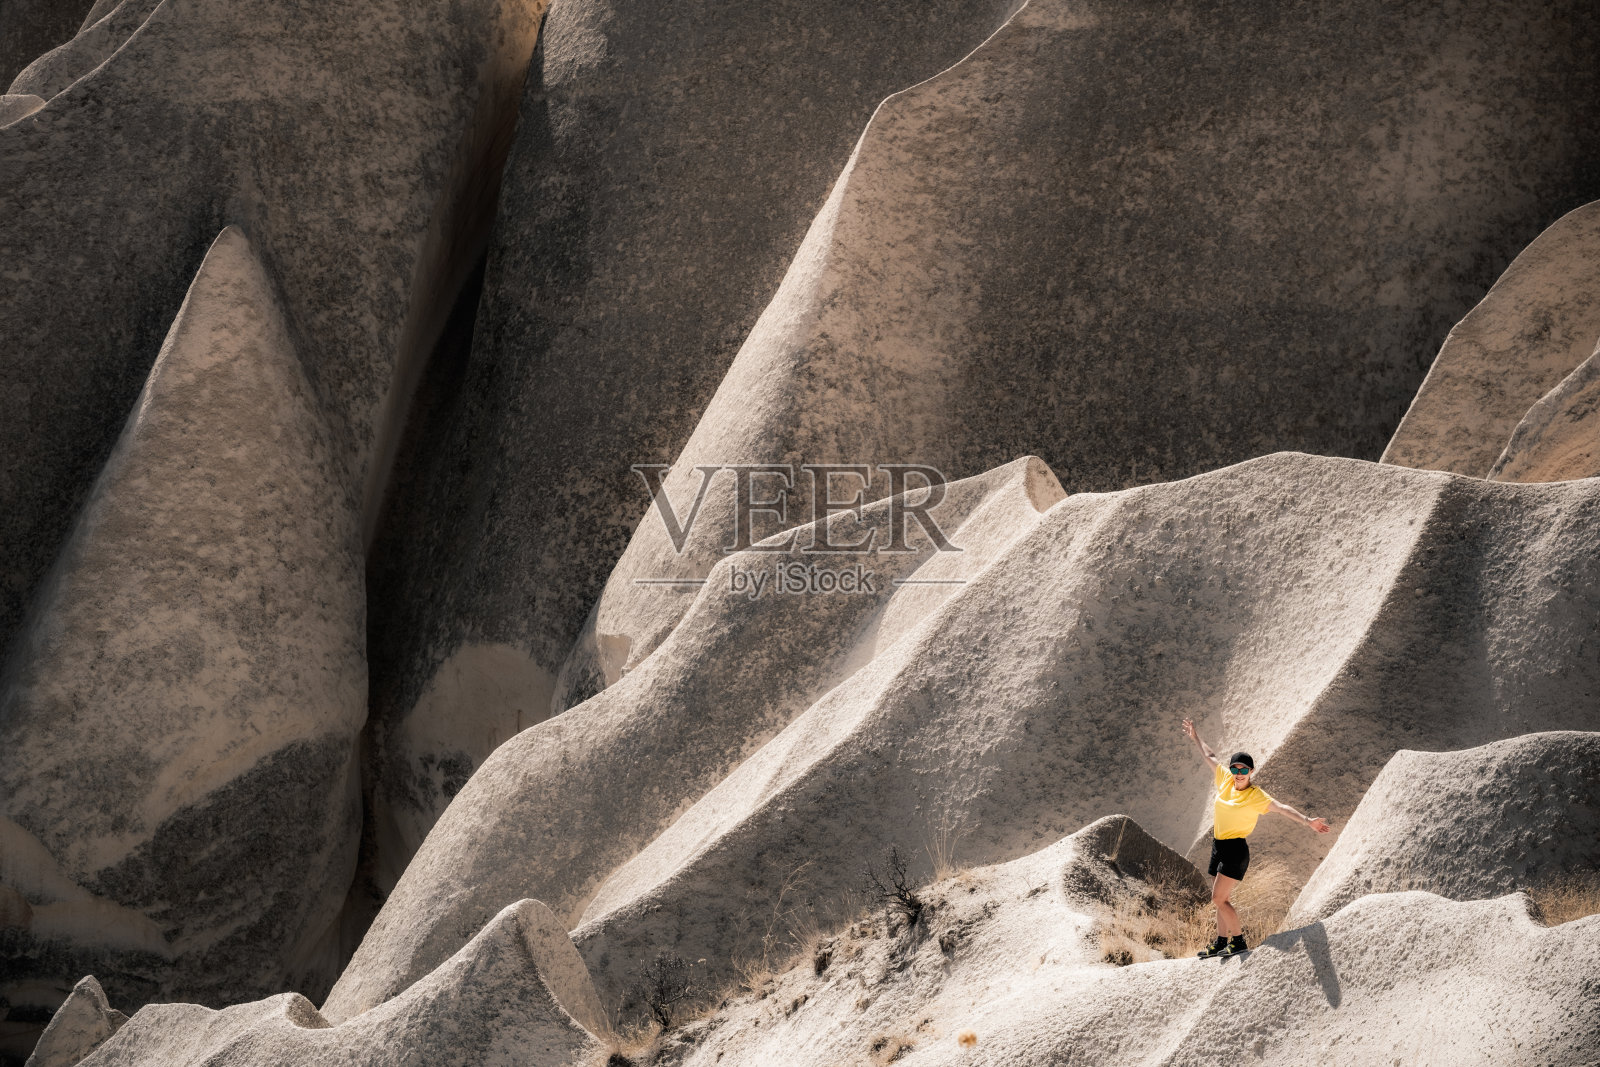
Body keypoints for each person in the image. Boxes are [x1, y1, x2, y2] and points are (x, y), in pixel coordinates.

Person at [1181, 717, 1331, 957]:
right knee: (1221, 898)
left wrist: (1307, 821)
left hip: (1236, 850)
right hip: (1218, 846)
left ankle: (1238, 941)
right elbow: (1210, 757)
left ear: (1251, 771)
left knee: (1218, 899)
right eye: (1235, 768)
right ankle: (1220, 941)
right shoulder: (1226, 781)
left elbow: (1282, 808)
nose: (1238, 773)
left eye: (1243, 770)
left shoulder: (1256, 795)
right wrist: (1196, 737)